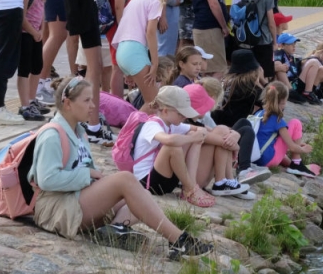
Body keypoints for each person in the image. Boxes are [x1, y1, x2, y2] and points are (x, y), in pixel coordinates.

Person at [27, 77, 213, 260]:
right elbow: (47, 180)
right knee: (124, 179)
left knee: (141, 195)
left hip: (75, 198)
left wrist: (96, 180)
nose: (93, 106)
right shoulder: (52, 134)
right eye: (87, 100)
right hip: (56, 208)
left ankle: (115, 229)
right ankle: (179, 240)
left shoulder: (79, 132)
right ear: (67, 104)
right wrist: (88, 175)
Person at [51, 0, 114, 146]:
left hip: (86, 13)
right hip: (82, 14)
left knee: (95, 69)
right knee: (93, 71)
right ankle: (90, 121)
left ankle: (91, 120)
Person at [184, 79, 270, 187]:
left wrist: (234, 136)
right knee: (225, 132)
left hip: (198, 170)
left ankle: (229, 179)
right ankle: (229, 178)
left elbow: (212, 131)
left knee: (239, 125)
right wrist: (235, 144)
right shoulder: (187, 123)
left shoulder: (194, 120)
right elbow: (215, 136)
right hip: (195, 178)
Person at [113, 0, 176, 107]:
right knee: (154, 104)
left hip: (123, 51)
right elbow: (150, 33)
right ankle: (133, 128)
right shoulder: (155, 1)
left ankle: (134, 126)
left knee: (150, 103)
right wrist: (155, 64)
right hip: (135, 52)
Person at [252, 82, 317, 177]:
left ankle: (292, 164)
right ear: (283, 101)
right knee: (295, 123)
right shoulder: (277, 119)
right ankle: (296, 163)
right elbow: (292, 147)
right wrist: (304, 150)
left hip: (256, 158)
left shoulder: (259, 114)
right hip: (267, 160)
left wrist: (297, 144)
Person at [17, 0, 55, 122]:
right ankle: (25, 104)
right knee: (24, 69)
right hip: (26, 33)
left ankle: (32, 99)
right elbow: (22, 15)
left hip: (36, 33)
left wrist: (40, 30)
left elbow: (42, 13)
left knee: (37, 66)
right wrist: (33, 31)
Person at [105, 0, 137, 97]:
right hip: (119, 29)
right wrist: (124, 30)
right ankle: (117, 101)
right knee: (117, 67)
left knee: (118, 66)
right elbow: (119, 7)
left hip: (119, 28)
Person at [240, 0, 279, 81]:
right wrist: (275, 41)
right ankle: (263, 97)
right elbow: (271, 22)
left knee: (250, 72)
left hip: (248, 37)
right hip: (263, 38)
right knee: (266, 74)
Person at [211, 49, 265, 128]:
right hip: (233, 128)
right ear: (254, 70)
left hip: (214, 122)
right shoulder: (250, 88)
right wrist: (262, 81)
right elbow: (271, 102)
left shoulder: (225, 81)